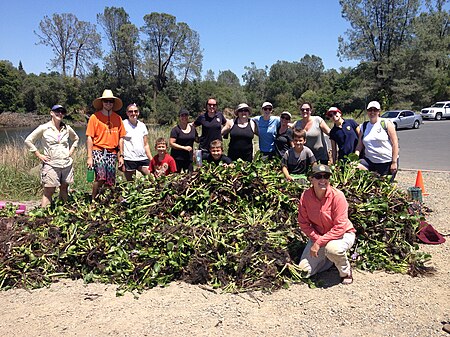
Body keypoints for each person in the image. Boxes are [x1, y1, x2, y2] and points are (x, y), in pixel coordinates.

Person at [297, 164, 356, 284]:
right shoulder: (306, 196)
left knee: (333, 249)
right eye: (318, 176)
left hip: (342, 235)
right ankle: (331, 260)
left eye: (326, 177)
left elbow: (340, 227)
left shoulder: (338, 196)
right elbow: (303, 223)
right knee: (304, 271)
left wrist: (319, 243)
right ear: (311, 179)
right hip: (319, 235)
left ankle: (345, 272)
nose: (323, 180)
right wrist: (317, 239)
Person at [25, 104, 79, 207]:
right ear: (51, 113)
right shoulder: (44, 128)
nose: (60, 113)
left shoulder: (67, 128)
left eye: (62, 112)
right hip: (51, 164)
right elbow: (28, 140)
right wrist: (39, 154)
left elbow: (76, 139)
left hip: (66, 164)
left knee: (64, 188)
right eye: (57, 111)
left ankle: (64, 211)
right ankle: (44, 215)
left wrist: (71, 151)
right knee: (49, 190)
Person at [86, 89, 126, 199]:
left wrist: (121, 156)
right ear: (102, 102)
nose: (108, 103)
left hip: (112, 152)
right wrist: (89, 157)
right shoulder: (94, 117)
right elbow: (89, 137)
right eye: (106, 101)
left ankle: (105, 200)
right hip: (98, 150)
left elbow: (121, 138)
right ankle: (93, 199)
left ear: (113, 103)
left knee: (110, 181)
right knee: (101, 177)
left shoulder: (118, 118)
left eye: (110, 101)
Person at [355, 101, 399, 178]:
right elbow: (359, 145)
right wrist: (354, 158)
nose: (372, 112)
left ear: (379, 111)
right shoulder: (364, 126)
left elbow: (395, 143)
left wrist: (394, 162)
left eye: (375, 110)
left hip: (386, 162)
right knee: (356, 167)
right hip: (370, 161)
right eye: (370, 110)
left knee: (383, 186)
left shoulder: (386, 123)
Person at [122, 103, 153, 181]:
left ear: (138, 112)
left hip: (142, 157)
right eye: (131, 111)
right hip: (129, 158)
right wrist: (120, 157)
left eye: (135, 111)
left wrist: (151, 159)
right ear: (127, 113)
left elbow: (146, 144)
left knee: (151, 178)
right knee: (131, 183)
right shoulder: (123, 124)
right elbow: (120, 142)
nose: (133, 113)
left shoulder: (142, 125)